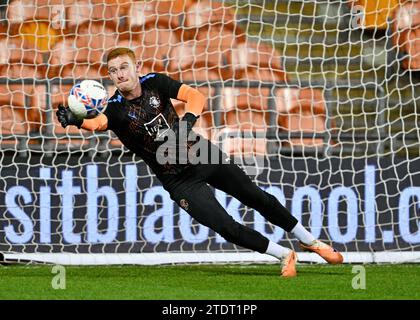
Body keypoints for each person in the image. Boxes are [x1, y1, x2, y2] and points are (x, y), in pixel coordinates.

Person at [56, 47, 343, 277]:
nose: (119, 74)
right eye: (113, 71)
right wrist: (77, 121)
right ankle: (284, 255)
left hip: (200, 154)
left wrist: (187, 122)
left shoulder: (154, 82)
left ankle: (311, 241)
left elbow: (195, 95)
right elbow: (100, 123)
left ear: (136, 67)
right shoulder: (115, 108)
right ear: (109, 77)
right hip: (177, 179)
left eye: (123, 67)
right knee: (226, 227)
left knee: (256, 197)